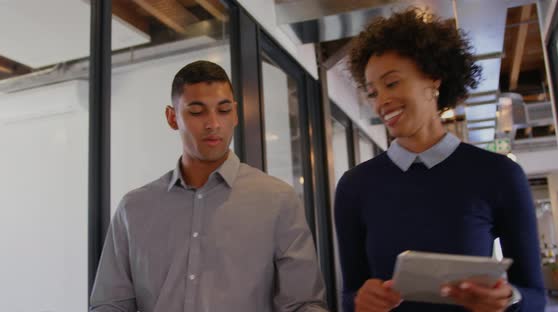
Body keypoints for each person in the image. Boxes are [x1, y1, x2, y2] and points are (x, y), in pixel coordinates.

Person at [334, 8, 545, 312]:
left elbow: (535, 296)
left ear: (433, 81)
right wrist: (360, 301)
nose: (381, 101)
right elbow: (350, 294)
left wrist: (508, 298)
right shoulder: (355, 187)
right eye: (372, 92)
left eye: (391, 83)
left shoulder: (499, 174)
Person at [90, 60, 328, 312]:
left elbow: (303, 304)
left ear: (235, 114)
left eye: (223, 110)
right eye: (197, 111)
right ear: (172, 118)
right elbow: (110, 305)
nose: (213, 124)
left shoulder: (279, 200)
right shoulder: (134, 209)